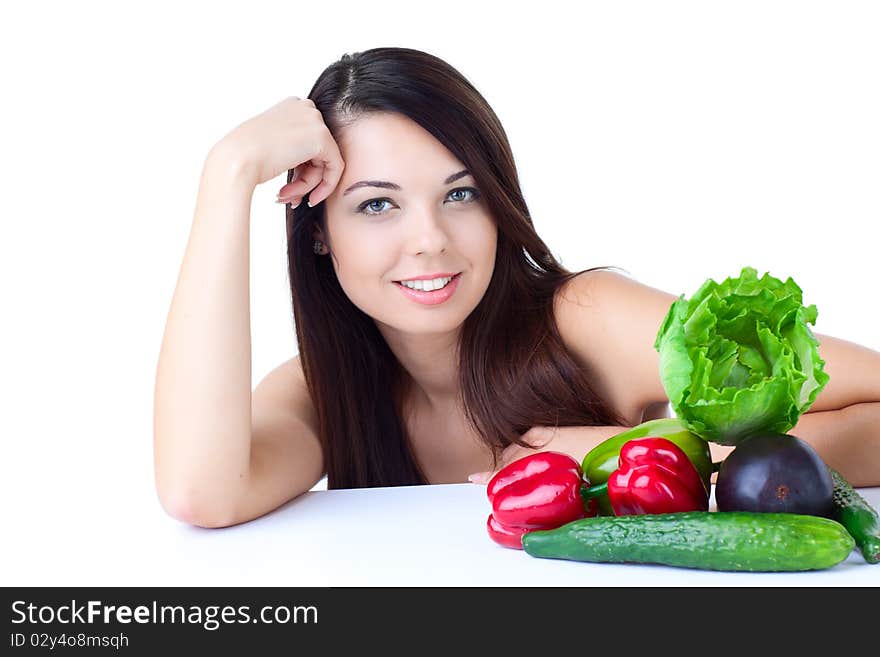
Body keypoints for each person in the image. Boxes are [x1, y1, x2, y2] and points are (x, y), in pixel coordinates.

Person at [153, 47, 880, 529]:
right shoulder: (323, 390)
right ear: (318, 230)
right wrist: (227, 175)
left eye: (461, 194)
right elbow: (198, 491)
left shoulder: (585, 318)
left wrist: (623, 452)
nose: (430, 238)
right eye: (377, 204)